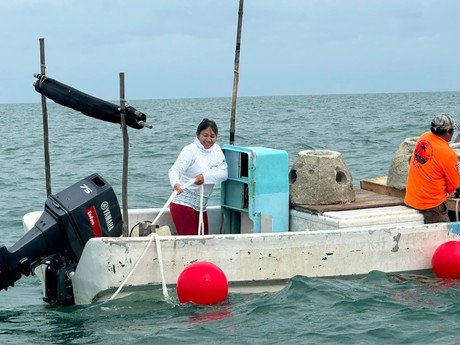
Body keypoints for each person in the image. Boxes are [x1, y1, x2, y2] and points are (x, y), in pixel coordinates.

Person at [168, 118, 228, 235]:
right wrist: (175, 183)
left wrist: (204, 177)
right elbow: (175, 170)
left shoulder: (217, 150)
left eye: (212, 136)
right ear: (197, 134)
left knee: (203, 242)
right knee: (191, 243)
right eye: (205, 135)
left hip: (201, 205)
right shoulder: (190, 150)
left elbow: (223, 174)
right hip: (183, 203)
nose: (209, 139)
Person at [405, 113, 460, 223]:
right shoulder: (448, 154)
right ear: (448, 132)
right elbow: (454, 186)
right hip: (432, 206)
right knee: (445, 236)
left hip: (412, 198)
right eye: (453, 131)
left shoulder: (424, 138)